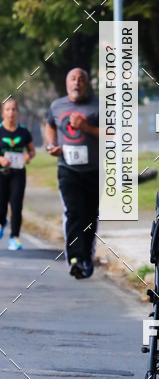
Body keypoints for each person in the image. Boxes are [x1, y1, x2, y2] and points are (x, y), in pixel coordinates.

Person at [45, 68, 99, 280]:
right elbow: (50, 125)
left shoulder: (99, 106)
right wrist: (51, 145)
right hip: (67, 169)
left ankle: (86, 256)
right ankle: (75, 258)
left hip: (94, 171)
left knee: (89, 215)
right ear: (67, 83)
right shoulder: (57, 106)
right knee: (74, 212)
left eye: (81, 79)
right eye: (73, 79)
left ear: (87, 84)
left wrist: (86, 127)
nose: (77, 83)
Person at [0, 97, 35, 250]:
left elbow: (32, 150)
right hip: (1, 174)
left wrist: (28, 156)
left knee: (16, 205)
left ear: (17, 112)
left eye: (14, 109)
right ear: (3, 112)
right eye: (8, 109)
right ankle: (2, 222)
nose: (11, 112)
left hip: (18, 174)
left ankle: (15, 237)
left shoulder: (24, 132)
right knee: (1, 206)